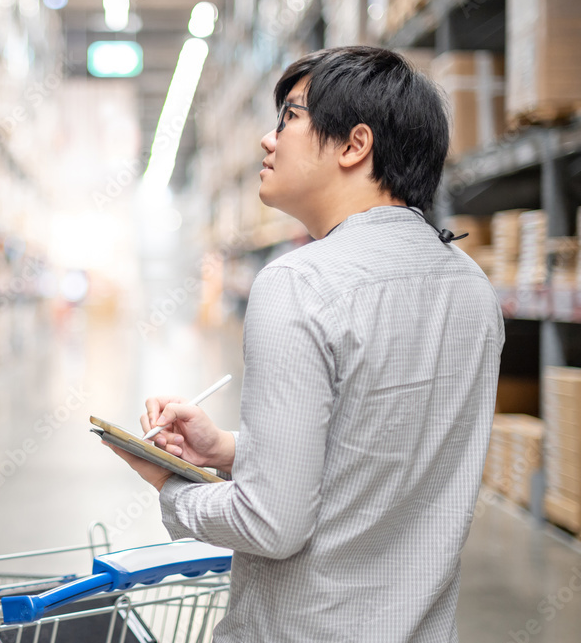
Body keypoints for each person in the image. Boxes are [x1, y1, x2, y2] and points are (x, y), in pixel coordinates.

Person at [108, 46, 505, 642]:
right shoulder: (472, 286)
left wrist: (171, 490)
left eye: (288, 118)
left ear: (354, 145)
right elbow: (376, 455)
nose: (268, 142)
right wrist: (224, 449)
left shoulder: (300, 284)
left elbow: (270, 524)